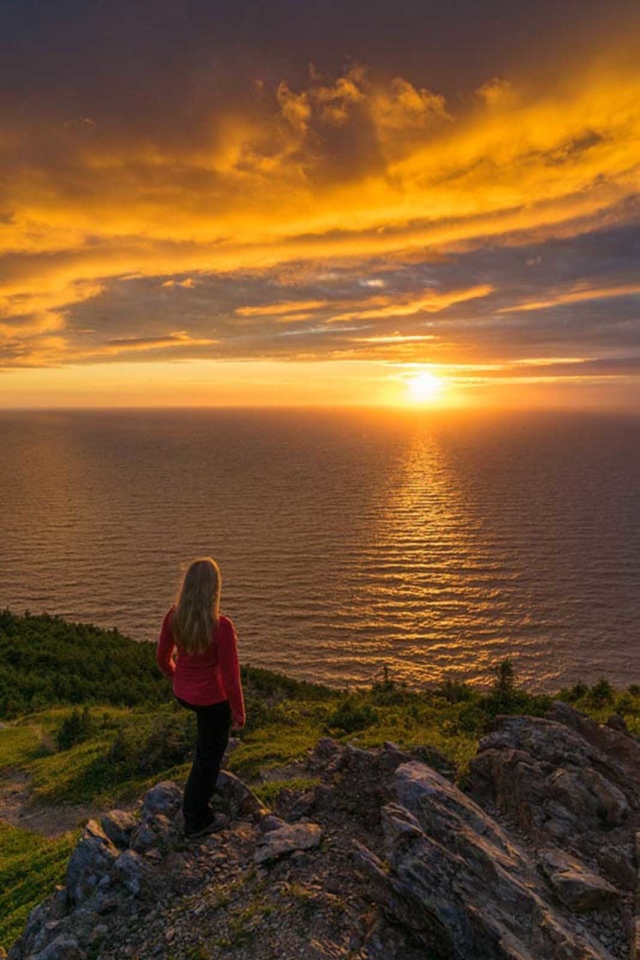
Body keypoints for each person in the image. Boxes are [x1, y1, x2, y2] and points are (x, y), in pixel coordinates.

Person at [156, 557, 246, 837]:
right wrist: (239, 712)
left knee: (204, 745)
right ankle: (197, 818)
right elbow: (231, 677)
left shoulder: (174, 616)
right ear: (214, 588)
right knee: (208, 758)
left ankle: (195, 809)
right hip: (211, 700)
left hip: (185, 694)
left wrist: (177, 676)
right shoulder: (221, 627)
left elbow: (162, 659)